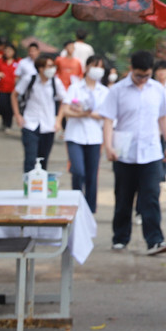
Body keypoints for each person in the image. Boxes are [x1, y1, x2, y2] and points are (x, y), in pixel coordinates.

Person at [100, 50, 166, 255]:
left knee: (151, 197)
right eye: (139, 75)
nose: (142, 79)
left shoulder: (157, 90)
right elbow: (108, 120)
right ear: (131, 69)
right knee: (124, 198)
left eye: (147, 75)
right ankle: (120, 238)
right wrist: (108, 146)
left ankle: (155, 241)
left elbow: (162, 118)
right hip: (124, 154)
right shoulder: (117, 90)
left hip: (151, 153)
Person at [59, 55, 109, 213]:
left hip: (94, 137)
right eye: (95, 66)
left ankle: (90, 209)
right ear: (87, 67)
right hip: (75, 135)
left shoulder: (104, 91)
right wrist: (81, 113)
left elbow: (107, 115)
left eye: (101, 67)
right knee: (78, 170)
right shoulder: (75, 88)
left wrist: (88, 113)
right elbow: (66, 110)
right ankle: (76, 203)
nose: (97, 70)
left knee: (92, 175)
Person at [12, 53, 65, 172]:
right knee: (30, 159)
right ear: (40, 68)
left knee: (43, 160)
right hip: (30, 123)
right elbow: (14, 95)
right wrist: (18, 115)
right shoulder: (29, 80)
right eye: (49, 66)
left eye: (53, 66)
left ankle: (41, 183)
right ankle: (28, 182)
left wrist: (58, 120)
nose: (52, 69)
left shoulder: (56, 82)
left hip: (48, 125)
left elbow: (64, 101)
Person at [0, 43, 18, 130]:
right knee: (2, 105)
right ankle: (4, 120)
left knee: (10, 107)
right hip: (2, 88)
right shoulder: (0, 61)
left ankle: (8, 124)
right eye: (6, 50)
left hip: (13, 89)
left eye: (10, 50)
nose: (7, 52)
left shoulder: (18, 62)